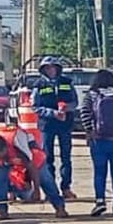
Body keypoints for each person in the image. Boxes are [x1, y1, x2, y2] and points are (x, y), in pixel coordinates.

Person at [0, 122, 68, 221]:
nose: (3, 157)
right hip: (4, 159)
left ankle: (59, 206)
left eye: (4, 153)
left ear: (6, 147)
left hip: (29, 152)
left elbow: (32, 167)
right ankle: (0, 210)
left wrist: (36, 190)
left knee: (45, 177)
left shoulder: (18, 141)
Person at [78, 68, 113, 217]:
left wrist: (90, 131)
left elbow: (84, 113)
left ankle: (100, 201)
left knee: (99, 172)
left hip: (99, 140)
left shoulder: (92, 94)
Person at [31, 58, 80, 201]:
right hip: (47, 125)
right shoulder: (38, 85)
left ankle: (66, 188)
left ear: (58, 68)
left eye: (53, 67)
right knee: (47, 158)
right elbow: (35, 106)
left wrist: (66, 108)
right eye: (47, 68)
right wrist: (52, 113)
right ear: (43, 69)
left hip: (65, 125)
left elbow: (75, 101)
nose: (51, 70)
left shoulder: (67, 82)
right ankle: (50, 189)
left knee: (66, 157)